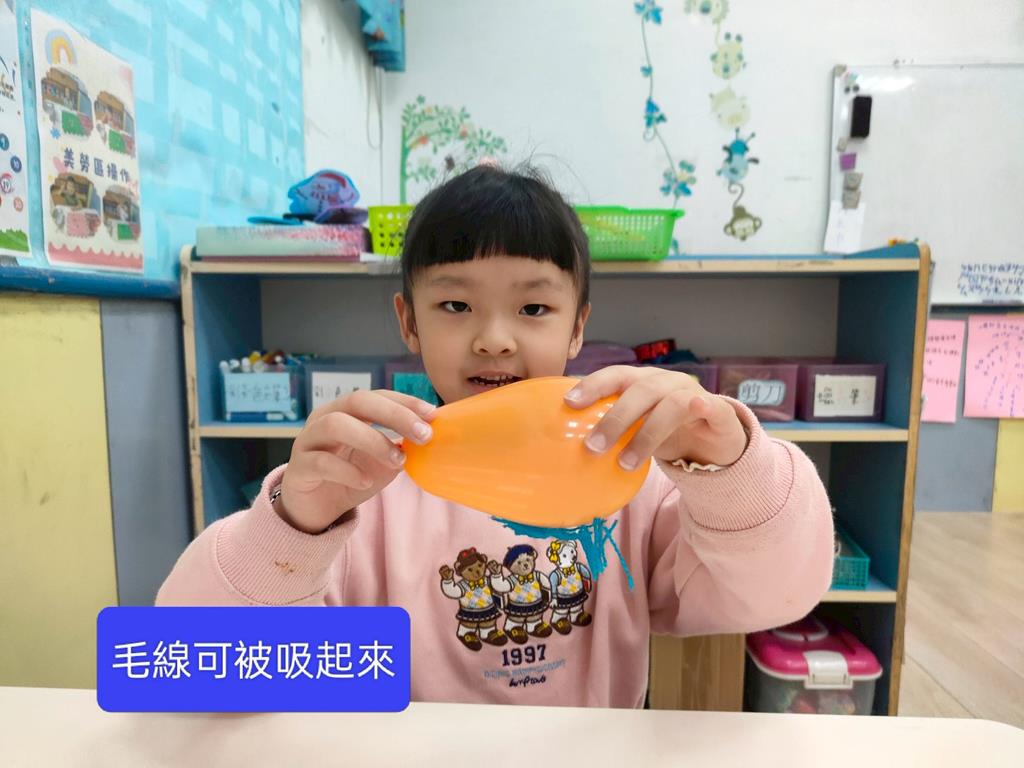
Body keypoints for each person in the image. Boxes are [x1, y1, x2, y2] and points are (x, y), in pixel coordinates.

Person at [158, 164, 834, 708]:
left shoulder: (631, 470)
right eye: (455, 305)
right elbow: (193, 668)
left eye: (534, 307)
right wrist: (293, 526)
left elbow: (778, 593)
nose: (494, 339)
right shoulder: (362, 488)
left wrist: (729, 467)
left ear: (577, 326)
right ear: (409, 322)